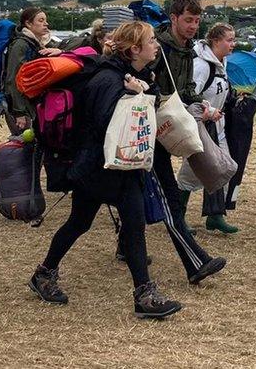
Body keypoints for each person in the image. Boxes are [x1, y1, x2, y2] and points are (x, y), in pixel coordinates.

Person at [29, 21, 182, 319]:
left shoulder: (134, 74)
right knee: (83, 223)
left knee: (122, 224)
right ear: (134, 49)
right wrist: (132, 96)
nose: (156, 45)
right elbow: (104, 123)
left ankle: (142, 294)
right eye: (151, 41)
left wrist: (142, 90)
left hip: (117, 166)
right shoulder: (108, 79)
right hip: (99, 167)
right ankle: (46, 273)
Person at [150, 0, 226, 283]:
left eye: (197, 20)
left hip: (166, 128)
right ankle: (196, 264)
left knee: (122, 199)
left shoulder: (188, 49)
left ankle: (124, 244)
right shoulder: (157, 47)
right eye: (188, 20)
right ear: (174, 18)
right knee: (169, 197)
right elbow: (144, 83)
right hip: (151, 130)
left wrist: (201, 104)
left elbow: (187, 88)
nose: (194, 26)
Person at [189, 22, 239, 234]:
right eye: (229, 40)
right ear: (216, 41)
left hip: (216, 125)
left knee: (220, 167)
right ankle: (177, 216)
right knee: (189, 174)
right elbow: (190, 97)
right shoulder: (202, 66)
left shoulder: (221, 62)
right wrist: (207, 112)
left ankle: (215, 215)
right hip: (200, 125)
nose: (233, 44)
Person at [3, 7, 62, 134]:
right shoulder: (21, 45)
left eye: (46, 20)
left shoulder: (37, 43)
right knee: (25, 146)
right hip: (22, 108)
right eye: (41, 20)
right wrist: (19, 112)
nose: (46, 24)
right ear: (28, 24)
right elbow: (13, 79)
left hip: (31, 104)